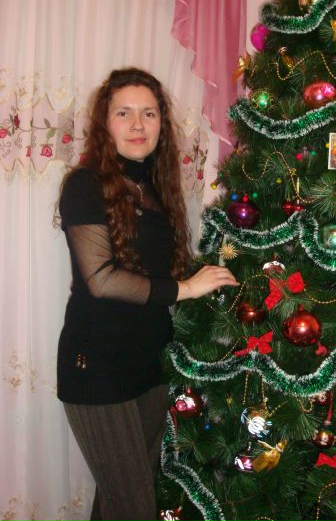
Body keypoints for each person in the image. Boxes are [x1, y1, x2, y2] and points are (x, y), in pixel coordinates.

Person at [56, 67, 239, 521]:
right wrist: (187, 288)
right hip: (99, 369)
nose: (138, 125)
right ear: (105, 123)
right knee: (134, 506)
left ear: (162, 123)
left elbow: (161, 269)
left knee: (119, 501)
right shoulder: (85, 185)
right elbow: (102, 279)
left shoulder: (156, 186)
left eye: (149, 113)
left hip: (150, 366)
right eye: (124, 113)